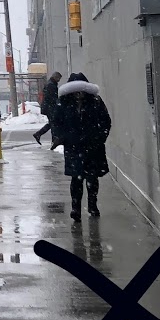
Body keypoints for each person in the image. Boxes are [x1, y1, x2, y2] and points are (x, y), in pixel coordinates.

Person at [36, 72, 111, 221]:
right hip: (74, 147)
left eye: (81, 91)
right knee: (76, 180)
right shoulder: (63, 102)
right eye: (75, 91)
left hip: (93, 146)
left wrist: (99, 138)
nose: (78, 94)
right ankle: (75, 208)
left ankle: (92, 206)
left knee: (92, 179)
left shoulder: (95, 101)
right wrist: (63, 138)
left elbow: (105, 121)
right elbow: (56, 122)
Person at [32, 72, 62, 142]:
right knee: (54, 124)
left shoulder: (50, 84)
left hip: (49, 107)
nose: (59, 80)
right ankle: (54, 140)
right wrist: (58, 103)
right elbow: (52, 98)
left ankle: (39, 134)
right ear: (56, 77)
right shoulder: (51, 85)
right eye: (59, 78)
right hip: (50, 108)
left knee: (52, 123)